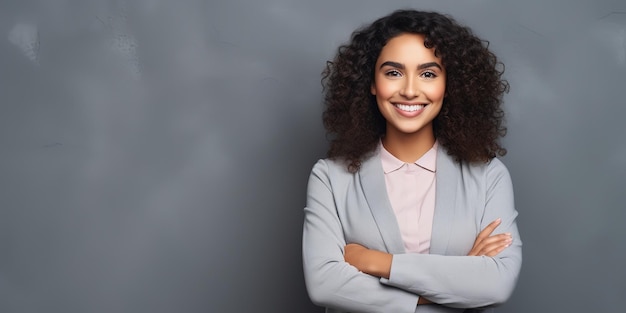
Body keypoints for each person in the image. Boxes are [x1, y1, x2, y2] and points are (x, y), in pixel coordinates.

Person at [302, 9, 522, 313]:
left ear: (449, 85)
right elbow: (324, 284)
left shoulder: (488, 176)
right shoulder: (330, 176)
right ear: (371, 82)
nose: (409, 90)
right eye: (393, 72)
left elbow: (496, 284)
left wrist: (377, 263)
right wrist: (457, 279)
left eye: (428, 74)